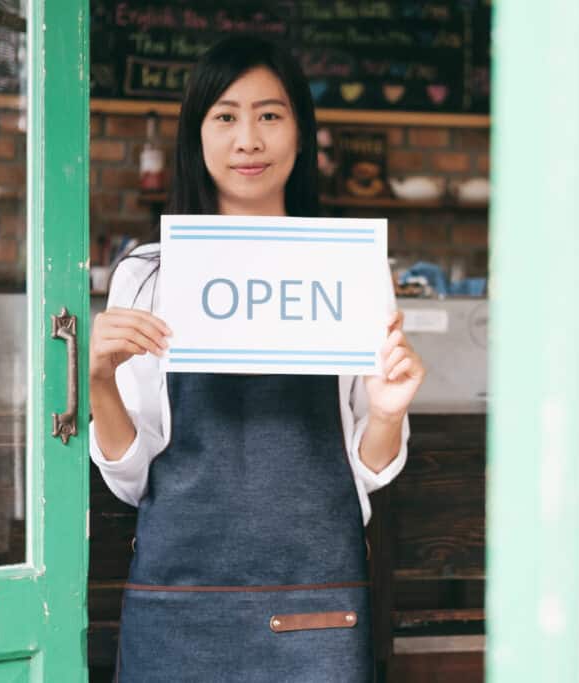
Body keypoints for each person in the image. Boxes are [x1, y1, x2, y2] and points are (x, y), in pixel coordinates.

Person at [88, 35, 425, 682]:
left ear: (301, 136)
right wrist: (100, 380)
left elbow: (371, 469)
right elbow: (131, 480)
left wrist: (386, 412)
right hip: (178, 602)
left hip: (315, 604)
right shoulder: (147, 275)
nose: (248, 139)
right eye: (225, 116)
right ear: (197, 134)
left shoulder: (350, 271)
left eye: (270, 115)